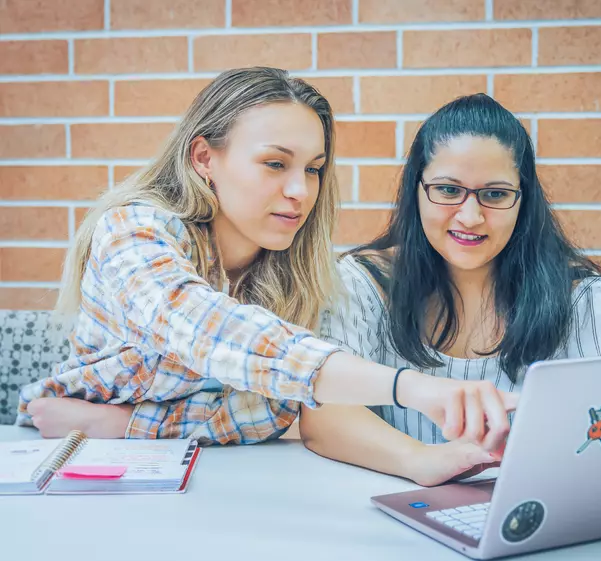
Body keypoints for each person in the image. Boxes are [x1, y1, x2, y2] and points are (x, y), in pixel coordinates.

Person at [16, 69, 515, 449]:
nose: (300, 191)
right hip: (71, 464)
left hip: (211, 482)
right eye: (274, 163)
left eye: (314, 169)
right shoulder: (133, 231)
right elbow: (207, 331)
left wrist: (126, 424)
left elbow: (270, 412)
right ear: (203, 158)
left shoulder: (294, 272)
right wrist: (412, 388)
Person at [299, 93, 601, 486]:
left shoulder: (586, 300)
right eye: (449, 190)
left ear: (523, 199)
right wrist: (420, 460)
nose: (470, 217)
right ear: (416, 190)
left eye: (495, 194)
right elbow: (324, 414)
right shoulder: (361, 283)